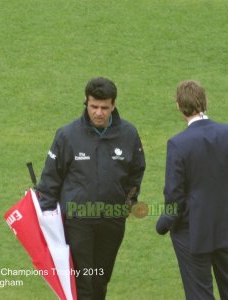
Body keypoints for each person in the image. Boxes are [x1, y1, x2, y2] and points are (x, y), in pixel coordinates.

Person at [37, 77, 146, 300]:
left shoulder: (129, 134)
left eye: (104, 107)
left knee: (100, 280)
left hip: (112, 221)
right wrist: (46, 215)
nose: (98, 112)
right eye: (93, 106)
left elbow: (136, 171)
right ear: (86, 103)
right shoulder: (67, 135)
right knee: (82, 282)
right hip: (78, 221)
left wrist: (128, 203)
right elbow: (50, 177)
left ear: (113, 105)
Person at [156, 80, 228, 300]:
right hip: (226, 224)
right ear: (205, 102)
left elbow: (174, 196)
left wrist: (163, 224)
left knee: (199, 293)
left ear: (178, 105)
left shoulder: (178, 144)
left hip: (191, 230)